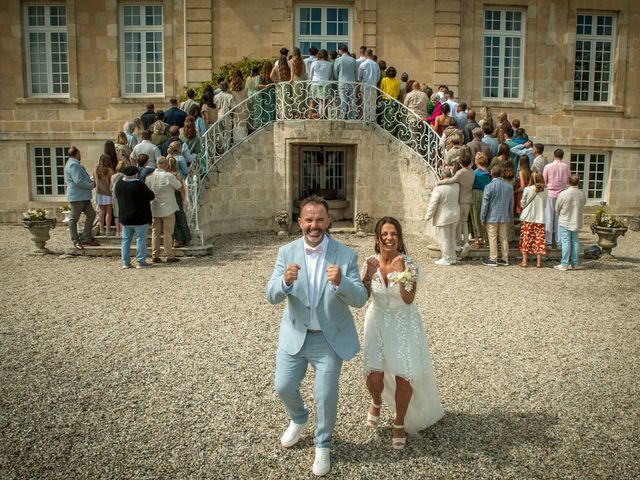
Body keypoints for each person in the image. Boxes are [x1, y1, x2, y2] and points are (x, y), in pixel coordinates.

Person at [265, 196, 367, 477]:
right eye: (308, 220)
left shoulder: (346, 255)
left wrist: (341, 282)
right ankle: (299, 417)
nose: (314, 225)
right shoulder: (286, 252)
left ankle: (323, 445)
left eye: (320, 220)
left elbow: (360, 298)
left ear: (329, 221)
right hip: (295, 335)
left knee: (325, 396)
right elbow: (270, 294)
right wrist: (285, 281)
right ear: (299, 222)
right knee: (283, 387)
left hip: (328, 340)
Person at [361, 217, 444, 449]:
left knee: (403, 374)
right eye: (385, 234)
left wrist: (401, 273)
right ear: (377, 238)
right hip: (376, 321)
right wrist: (368, 274)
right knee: (373, 375)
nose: (389, 238)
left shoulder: (410, 264)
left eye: (394, 234)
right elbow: (363, 296)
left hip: (403, 323)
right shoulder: (370, 261)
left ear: (399, 237)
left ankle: (399, 422)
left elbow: (408, 299)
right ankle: (376, 401)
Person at [113, 165, 155, 269]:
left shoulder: (119, 185)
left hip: (125, 217)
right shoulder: (139, 185)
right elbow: (151, 196)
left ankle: (125, 262)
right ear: (135, 174)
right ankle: (141, 261)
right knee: (140, 239)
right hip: (140, 217)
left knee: (126, 240)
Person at [145, 157, 184, 264]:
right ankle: (169, 255)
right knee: (168, 232)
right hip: (168, 207)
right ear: (166, 164)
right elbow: (180, 187)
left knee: (155, 232)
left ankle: (155, 255)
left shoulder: (149, 178)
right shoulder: (169, 176)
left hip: (155, 207)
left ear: (157, 165)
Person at [438, 150, 474, 255]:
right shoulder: (472, 172)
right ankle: (466, 242)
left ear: (461, 163)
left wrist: (438, 183)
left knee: (458, 223)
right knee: (465, 222)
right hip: (468, 199)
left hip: (460, 200)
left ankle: (458, 243)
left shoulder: (460, 173)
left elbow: (450, 180)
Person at [64, 146, 99, 250]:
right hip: (77, 197)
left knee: (91, 214)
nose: (81, 155)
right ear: (76, 154)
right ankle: (75, 240)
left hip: (83, 196)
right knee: (74, 219)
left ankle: (86, 237)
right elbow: (78, 181)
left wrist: (90, 180)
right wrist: (91, 185)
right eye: (79, 153)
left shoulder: (74, 164)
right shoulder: (73, 165)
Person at [425, 169, 460, 265]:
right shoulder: (456, 186)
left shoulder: (438, 189)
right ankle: (453, 257)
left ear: (442, 177)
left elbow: (433, 204)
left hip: (443, 216)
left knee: (444, 238)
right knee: (452, 237)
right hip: (455, 215)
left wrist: (428, 216)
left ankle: (446, 258)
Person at [481, 165, 513, 267]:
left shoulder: (489, 186)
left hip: (492, 216)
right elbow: (511, 203)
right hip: (504, 215)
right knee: (504, 237)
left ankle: (493, 258)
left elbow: (485, 204)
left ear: (491, 174)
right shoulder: (509, 186)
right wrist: (510, 214)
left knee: (493, 237)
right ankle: (505, 258)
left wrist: (482, 217)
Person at [555, 174, 586, 271]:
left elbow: (557, 207)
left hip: (565, 220)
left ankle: (564, 263)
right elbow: (583, 203)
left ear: (568, 182)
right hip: (576, 220)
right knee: (575, 241)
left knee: (566, 241)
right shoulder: (581, 193)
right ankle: (575, 263)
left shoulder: (564, 193)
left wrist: (559, 214)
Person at [519, 171, 548, 268]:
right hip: (540, 217)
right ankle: (539, 262)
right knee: (539, 239)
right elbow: (544, 205)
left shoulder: (527, 189)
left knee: (526, 238)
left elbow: (523, 204)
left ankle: (524, 261)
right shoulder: (545, 190)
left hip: (528, 217)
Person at [543, 148, 571, 247]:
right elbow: (568, 181)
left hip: (550, 193)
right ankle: (559, 242)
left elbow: (544, 182)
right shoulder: (566, 167)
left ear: (554, 155)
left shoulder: (548, 166)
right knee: (559, 219)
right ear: (562, 156)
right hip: (562, 194)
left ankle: (548, 242)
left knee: (549, 218)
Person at [333, 45, 358, 120]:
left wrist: (338, 80)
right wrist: (354, 80)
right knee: (352, 100)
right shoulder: (353, 60)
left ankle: (343, 116)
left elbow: (335, 72)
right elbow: (356, 72)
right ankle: (353, 116)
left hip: (342, 82)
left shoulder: (338, 60)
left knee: (343, 100)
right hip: (351, 82)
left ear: (340, 50)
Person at [308, 49, 334, 119]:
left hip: (315, 82)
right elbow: (329, 74)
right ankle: (323, 115)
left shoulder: (314, 63)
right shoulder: (329, 64)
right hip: (325, 83)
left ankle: (311, 114)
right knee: (324, 101)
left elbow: (311, 74)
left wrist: (310, 81)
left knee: (313, 100)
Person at [94, 154, 115, 236]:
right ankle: (108, 230)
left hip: (99, 192)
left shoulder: (95, 169)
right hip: (108, 192)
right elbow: (112, 182)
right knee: (108, 212)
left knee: (101, 212)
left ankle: (102, 229)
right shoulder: (110, 170)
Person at [358, 49, 380, 122]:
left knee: (365, 103)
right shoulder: (376, 64)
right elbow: (378, 76)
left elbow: (359, 77)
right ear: (371, 54)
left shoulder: (363, 64)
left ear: (365, 55)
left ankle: (366, 118)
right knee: (373, 103)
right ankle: (372, 118)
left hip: (365, 86)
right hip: (373, 86)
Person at [110, 161, 126, 237]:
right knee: (122, 213)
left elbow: (111, 187)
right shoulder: (124, 176)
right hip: (123, 195)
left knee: (116, 214)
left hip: (114, 195)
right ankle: (122, 231)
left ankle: (118, 231)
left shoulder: (113, 176)